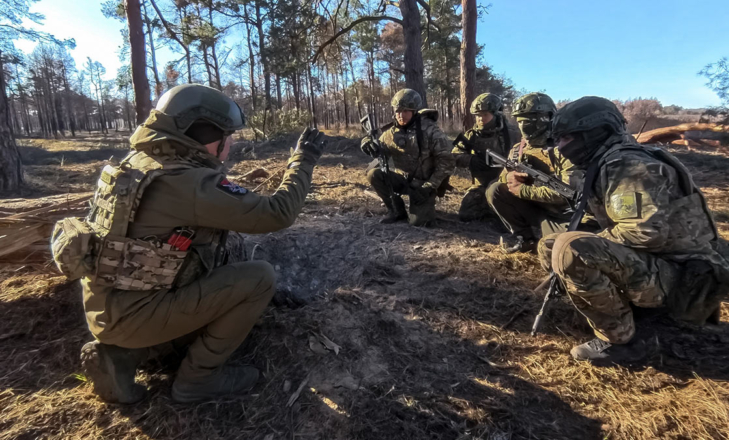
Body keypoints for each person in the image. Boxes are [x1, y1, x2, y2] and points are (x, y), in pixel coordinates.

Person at [52, 84, 327, 403]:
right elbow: (277, 214)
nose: (231, 143)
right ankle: (199, 379)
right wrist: (303, 161)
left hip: (108, 310)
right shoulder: (188, 182)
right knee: (259, 279)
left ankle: (121, 357)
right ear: (207, 135)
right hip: (138, 314)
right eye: (228, 135)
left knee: (218, 267)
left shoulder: (139, 163)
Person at [539, 96, 729, 364]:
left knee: (572, 249)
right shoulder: (607, 161)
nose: (560, 147)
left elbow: (644, 232)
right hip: (665, 264)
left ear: (596, 132)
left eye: (567, 139)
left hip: (688, 279)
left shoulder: (629, 166)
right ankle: (621, 311)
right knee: (552, 245)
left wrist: (583, 242)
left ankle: (623, 342)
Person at [485, 92, 581, 253]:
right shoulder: (518, 149)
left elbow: (568, 194)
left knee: (571, 250)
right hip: (537, 211)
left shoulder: (565, 149)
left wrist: (523, 190)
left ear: (548, 117)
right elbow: (504, 181)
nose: (524, 125)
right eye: (520, 120)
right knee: (494, 190)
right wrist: (509, 177)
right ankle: (525, 238)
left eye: (530, 119)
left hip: (564, 217)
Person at [361, 88, 454, 226]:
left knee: (419, 222)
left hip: (424, 185)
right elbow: (380, 152)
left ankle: (420, 208)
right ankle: (395, 210)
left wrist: (430, 186)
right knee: (374, 174)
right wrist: (367, 144)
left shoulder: (430, 130)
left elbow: (447, 161)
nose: (401, 115)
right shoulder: (390, 133)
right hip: (403, 180)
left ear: (414, 111)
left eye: (405, 111)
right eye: (398, 111)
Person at [452, 93, 516, 221]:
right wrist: (470, 159)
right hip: (482, 184)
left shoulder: (513, 134)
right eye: (478, 115)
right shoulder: (471, 135)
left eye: (485, 114)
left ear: (496, 114)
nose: (481, 119)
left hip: (507, 185)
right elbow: (454, 155)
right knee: (466, 215)